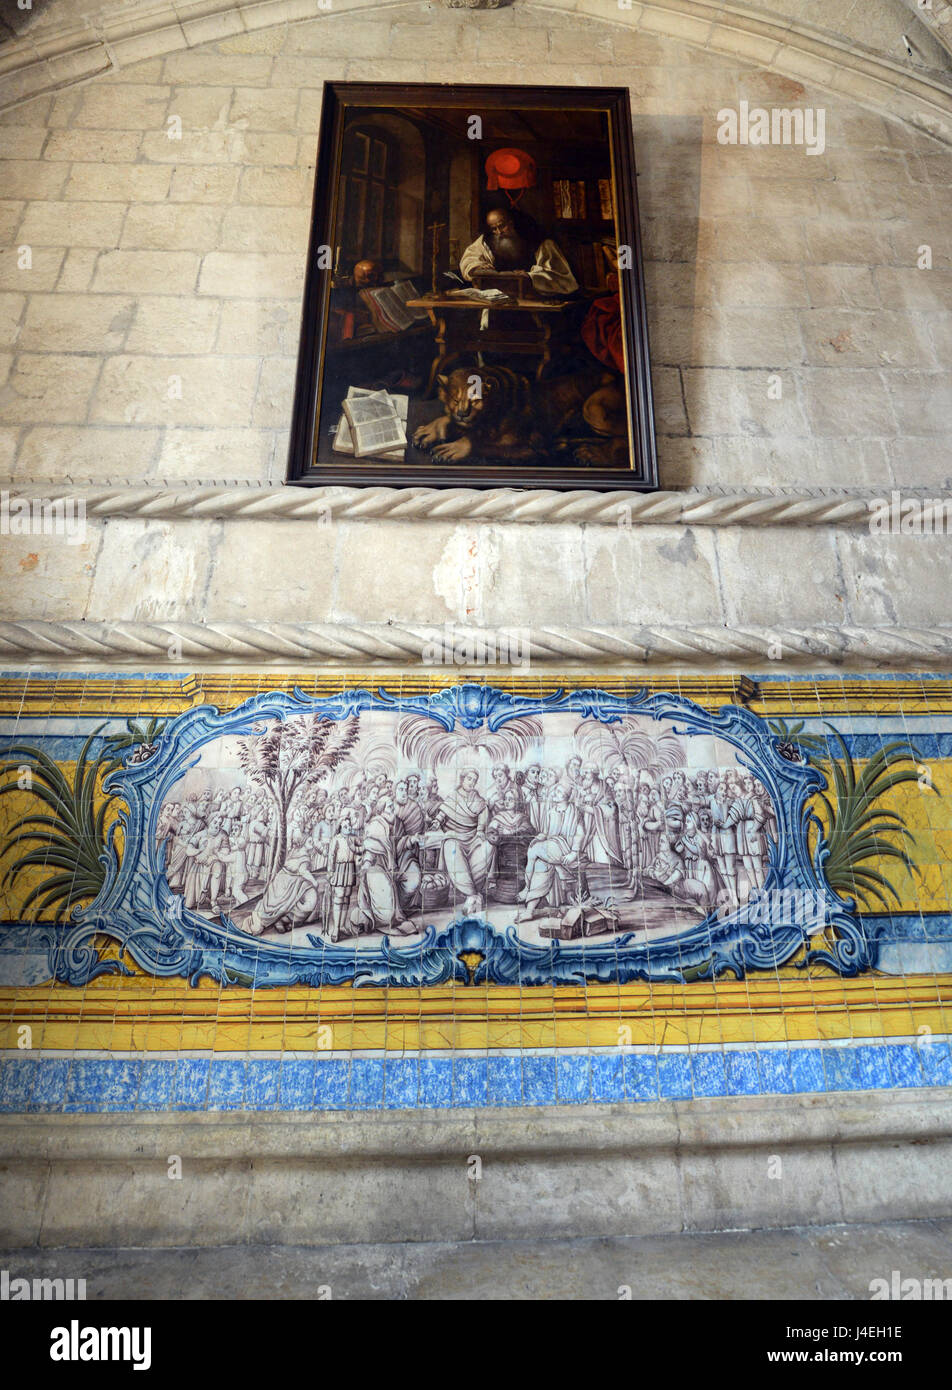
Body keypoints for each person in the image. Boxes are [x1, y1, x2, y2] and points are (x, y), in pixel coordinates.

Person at [460, 208, 578, 297]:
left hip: (535, 300)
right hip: (500, 302)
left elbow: (559, 276)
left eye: (502, 226)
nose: (499, 232)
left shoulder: (540, 241)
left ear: (512, 223)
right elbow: (469, 259)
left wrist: (530, 277)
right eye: (494, 228)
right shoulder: (488, 240)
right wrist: (478, 266)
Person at [434, 769, 495, 917]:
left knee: (489, 847)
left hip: (473, 838)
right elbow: (443, 813)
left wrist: (480, 830)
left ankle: (471, 894)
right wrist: (437, 821)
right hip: (455, 836)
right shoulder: (453, 796)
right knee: (450, 847)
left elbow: (483, 814)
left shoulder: (478, 799)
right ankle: (473, 895)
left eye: (474, 780)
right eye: (469, 779)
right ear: (462, 780)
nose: (472, 782)